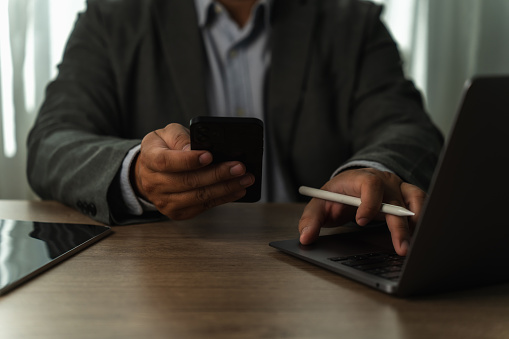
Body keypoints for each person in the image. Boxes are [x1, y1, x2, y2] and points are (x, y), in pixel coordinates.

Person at [27, 0, 443, 256]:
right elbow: (52, 141)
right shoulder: (112, 18)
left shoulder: (352, 21)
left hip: (318, 261)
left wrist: (372, 169)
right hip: (167, 270)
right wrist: (136, 172)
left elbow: (407, 128)